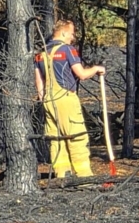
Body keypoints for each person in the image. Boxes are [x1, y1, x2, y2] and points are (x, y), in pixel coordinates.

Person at [34, 19, 105, 178]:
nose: (73, 38)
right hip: (66, 98)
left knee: (56, 139)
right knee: (76, 135)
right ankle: (84, 177)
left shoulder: (40, 54)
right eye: (72, 34)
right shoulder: (67, 50)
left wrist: (44, 99)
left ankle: (62, 175)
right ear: (64, 32)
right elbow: (82, 74)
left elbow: (39, 81)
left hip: (48, 101)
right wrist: (96, 68)